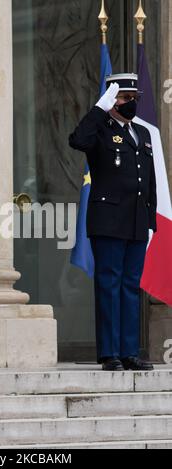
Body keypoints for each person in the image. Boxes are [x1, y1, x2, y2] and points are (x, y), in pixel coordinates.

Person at [69, 73, 157, 371]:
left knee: (131, 286)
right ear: (111, 100)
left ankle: (129, 351)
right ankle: (110, 353)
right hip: (108, 219)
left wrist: (151, 217)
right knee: (110, 284)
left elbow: (150, 179)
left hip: (136, 219)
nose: (130, 103)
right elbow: (77, 141)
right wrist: (97, 110)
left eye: (133, 99)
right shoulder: (100, 130)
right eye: (124, 98)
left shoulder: (142, 134)